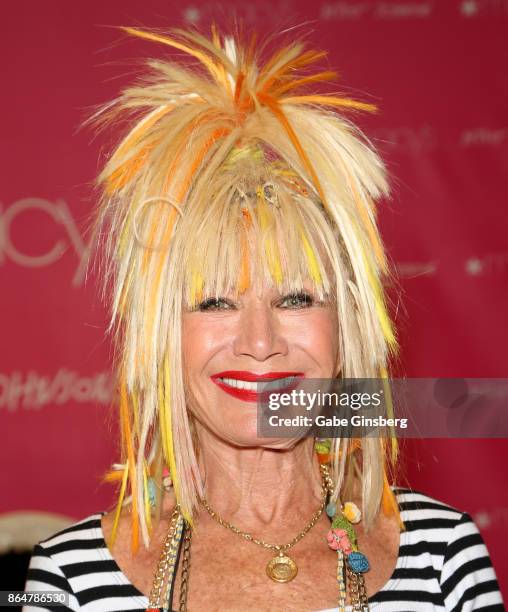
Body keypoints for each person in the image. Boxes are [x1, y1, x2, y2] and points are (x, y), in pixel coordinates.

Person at [23, 24, 504, 611]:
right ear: (160, 337)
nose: (259, 341)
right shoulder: (68, 578)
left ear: (346, 327)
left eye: (296, 299)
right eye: (215, 302)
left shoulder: (442, 553)